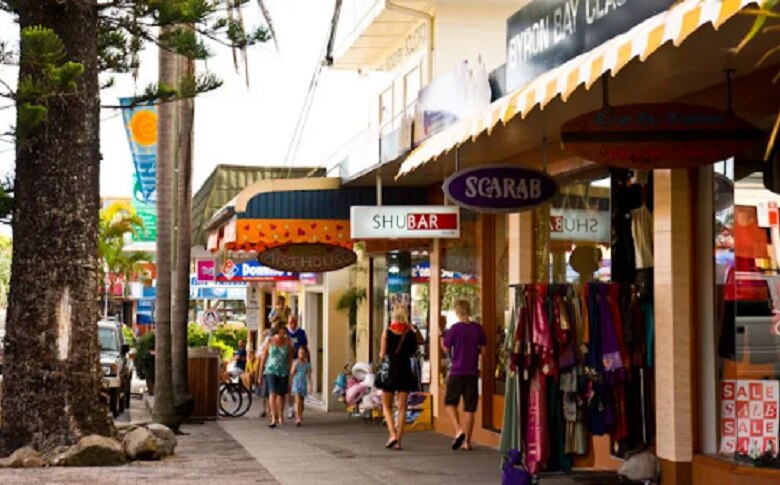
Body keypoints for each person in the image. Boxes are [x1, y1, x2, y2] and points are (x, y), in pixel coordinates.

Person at [442, 299, 486, 451]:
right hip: (472, 372)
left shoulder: (454, 329)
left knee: (449, 402)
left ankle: (458, 429)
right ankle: (467, 441)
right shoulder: (478, 329)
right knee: (470, 408)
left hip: (457, 370)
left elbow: (446, 348)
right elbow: (484, 351)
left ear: (457, 312)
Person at [378, 304, 423, 451]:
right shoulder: (410, 333)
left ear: (393, 314)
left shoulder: (387, 332)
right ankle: (399, 441)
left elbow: (381, 355)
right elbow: (420, 343)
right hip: (405, 371)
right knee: (402, 407)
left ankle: (392, 434)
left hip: (390, 371)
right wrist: (414, 329)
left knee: (386, 405)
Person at [258, 323, 293, 428]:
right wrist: (260, 375)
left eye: (284, 330)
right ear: (278, 330)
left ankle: (280, 414)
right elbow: (263, 359)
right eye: (282, 330)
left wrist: (291, 374)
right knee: (272, 393)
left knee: (281, 395)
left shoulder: (288, 342)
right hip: (270, 370)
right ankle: (273, 417)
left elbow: (290, 360)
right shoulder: (270, 341)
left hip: (283, 371)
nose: (284, 332)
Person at [286, 315, 308, 418]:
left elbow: (305, 348)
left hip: (300, 361)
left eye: (294, 322)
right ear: (288, 322)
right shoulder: (285, 332)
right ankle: (291, 407)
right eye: (291, 322)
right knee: (290, 385)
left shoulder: (301, 333)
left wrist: (307, 361)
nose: (293, 324)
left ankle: (299, 405)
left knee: (301, 385)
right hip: (290, 361)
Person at [290, 346, 313, 426]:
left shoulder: (307, 365)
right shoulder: (295, 362)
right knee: (298, 401)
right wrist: (295, 364)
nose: (301, 355)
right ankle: (298, 418)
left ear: (306, 354)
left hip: (303, 383)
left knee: (301, 402)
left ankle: (300, 414)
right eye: (300, 353)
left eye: (303, 353)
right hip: (296, 383)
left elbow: (309, 376)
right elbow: (292, 373)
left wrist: (311, 386)